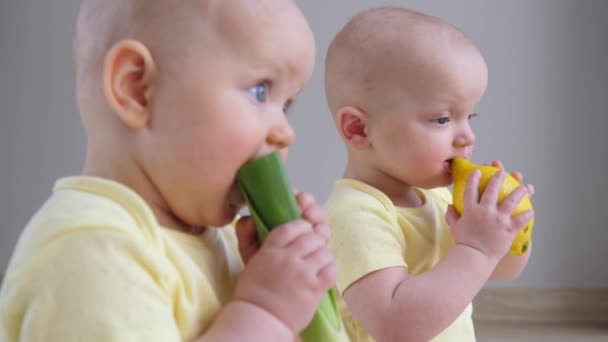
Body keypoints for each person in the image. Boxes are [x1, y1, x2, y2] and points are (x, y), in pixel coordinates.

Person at [0, 0, 337, 341]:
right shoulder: (89, 250)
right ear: (138, 90)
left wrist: (301, 307)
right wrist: (266, 312)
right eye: (259, 91)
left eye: (286, 105)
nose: (285, 132)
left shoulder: (222, 246)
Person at [324, 6, 535, 341]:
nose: (467, 136)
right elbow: (396, 326)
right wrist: (476, 249)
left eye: (470, 117)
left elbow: (499, 271)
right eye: (442, 119)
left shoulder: (438, 197)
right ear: (360, 129)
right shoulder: (354, 215)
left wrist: (506, 233)